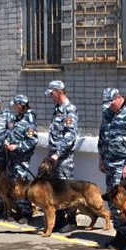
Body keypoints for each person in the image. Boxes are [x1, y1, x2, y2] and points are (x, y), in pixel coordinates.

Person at [98, 87, 126, 249]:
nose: (109, 107)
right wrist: (102, 157)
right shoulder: (108, 113)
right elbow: (102, 136)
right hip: (109, 162)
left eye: (111, 103)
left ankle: (125, 236)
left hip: (122, 164)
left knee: (121, 202)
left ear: (119, 98)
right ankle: (119, 233)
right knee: (111, 200)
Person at [44, 80, 79, 233]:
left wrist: (58, 154)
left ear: (58, 92)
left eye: (52, 93)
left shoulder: (69, 110)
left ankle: (71, 220)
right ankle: (59, 219)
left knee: (66, 189)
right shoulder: (57, 109)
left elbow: (70, 136)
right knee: (55, 188)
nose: (51, 97)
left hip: (63, 158)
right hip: (54, 157)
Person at [4, 94, 38, 223]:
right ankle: (18, 210)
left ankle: (26, 212)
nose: (13, 107)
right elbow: (9, 132)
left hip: (21, 158)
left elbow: (32, 141)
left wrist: (16, 147)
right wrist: (7, 142)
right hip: (12, 158)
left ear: (21, 105)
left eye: (15, 105)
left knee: (22, 184)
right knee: (13, 184)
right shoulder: (15, 118)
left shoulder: (29, 120)